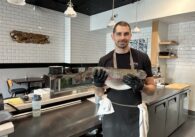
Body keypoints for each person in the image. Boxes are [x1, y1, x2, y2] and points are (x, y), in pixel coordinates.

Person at [93, 21, 156, 137]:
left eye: (126, 34)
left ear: (130, 35)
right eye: (119, 34)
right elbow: (99, 93)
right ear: (113, 36)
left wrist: (142, 87)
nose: (122, 38)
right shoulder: (104, 60)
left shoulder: (142, 57)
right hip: (111, 113)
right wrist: (97, 85)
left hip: (134, 113)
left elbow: (152, 90)